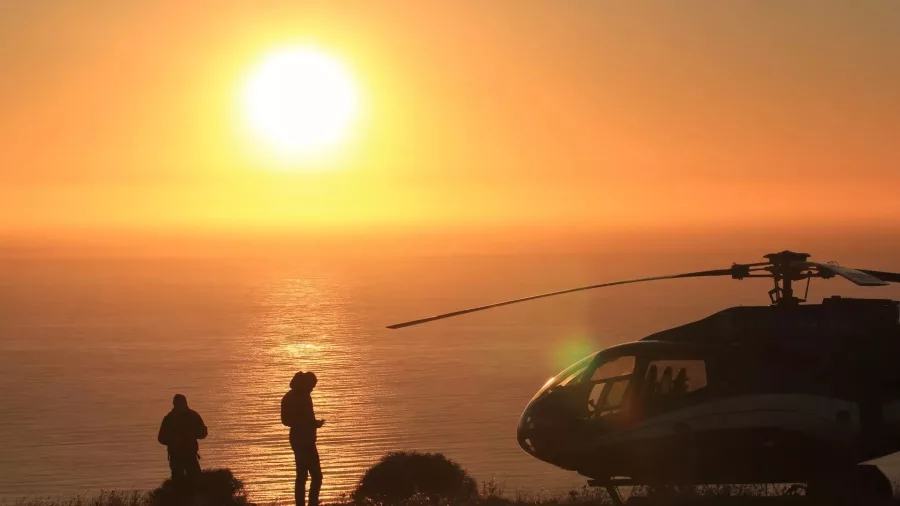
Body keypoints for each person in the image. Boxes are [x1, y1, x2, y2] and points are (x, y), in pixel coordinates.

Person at [282, 372, 325, 506]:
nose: (312, 388)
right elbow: (291, 420)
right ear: (306, 383)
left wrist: (313, 423)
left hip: (299, 439)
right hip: (303, 441)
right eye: (312, 386)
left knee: (303, 476)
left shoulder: (291, 396)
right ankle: (311, 503)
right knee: (315, 476)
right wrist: (311, 423)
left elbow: (289, 420)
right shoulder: (300, 397)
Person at [157, 394, 208, 485]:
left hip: (183, 455)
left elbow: (161, 438)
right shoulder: (192, 416)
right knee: (192, 481)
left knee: (184, 482)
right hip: (183, 455)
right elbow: (203, 433)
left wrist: (173, 441)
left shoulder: (169, 418)